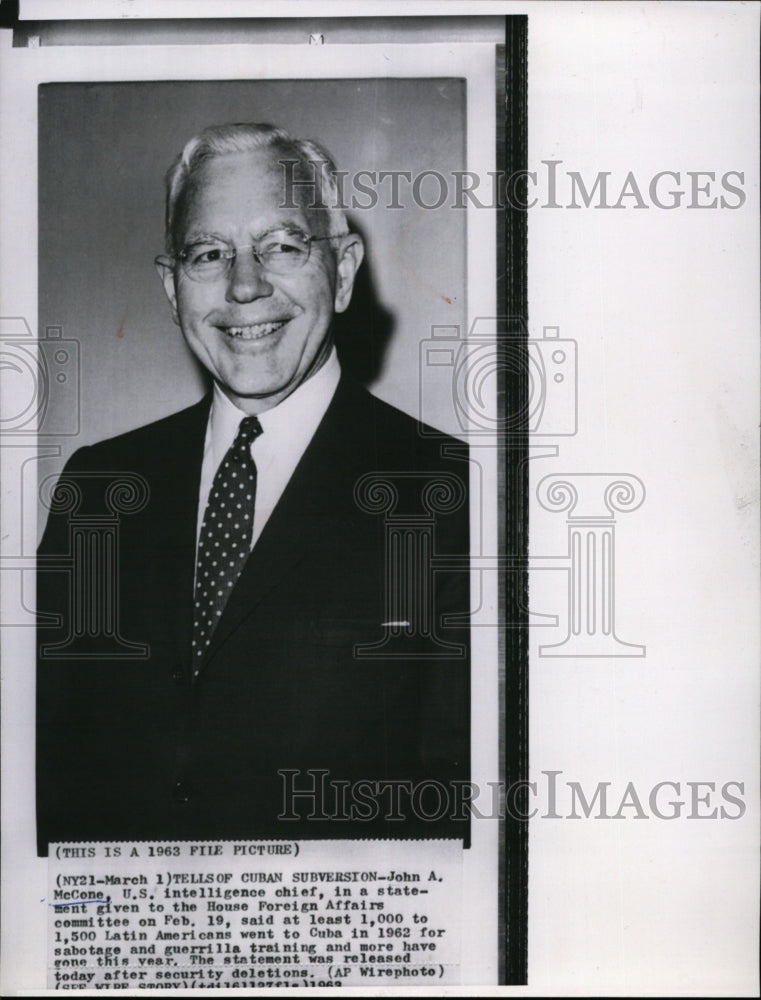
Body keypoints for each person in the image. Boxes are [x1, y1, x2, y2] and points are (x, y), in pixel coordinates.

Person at [36, 123, 469, 855]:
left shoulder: (451, 495)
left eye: (282, 246)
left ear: (343, 268)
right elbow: (38, 768)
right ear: (173, 287)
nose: (244, 285)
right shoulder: (99, 487)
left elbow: (459, 819)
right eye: (209, 254)